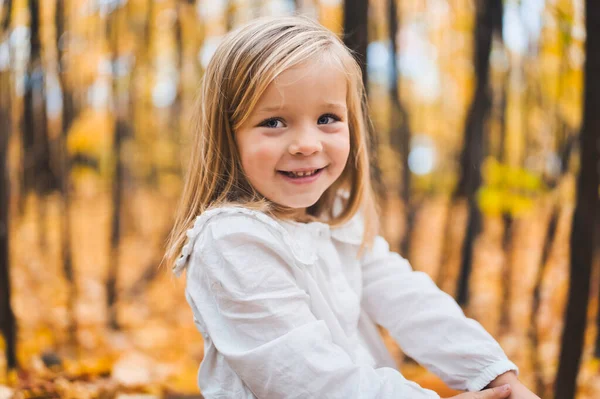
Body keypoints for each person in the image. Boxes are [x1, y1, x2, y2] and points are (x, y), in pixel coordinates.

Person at [165, 15, 540, 399]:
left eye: (327, 118)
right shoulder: (232, 241)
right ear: (228, 134)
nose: (306, 144)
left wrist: (493, 374)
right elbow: (308, 380)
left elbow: (410, 301)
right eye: (275, 121)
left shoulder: (336, 215)